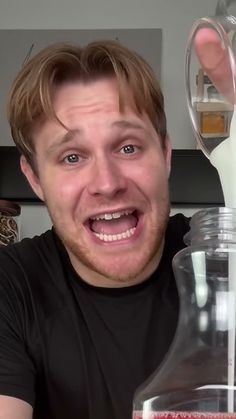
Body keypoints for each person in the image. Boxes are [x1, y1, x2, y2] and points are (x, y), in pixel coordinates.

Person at [0, 38, 207, 419]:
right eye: (72, 156)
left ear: (165, 155)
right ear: (35, 180)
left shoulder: (221, 260)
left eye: (128, 148)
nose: (107, 183)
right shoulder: (9, 286)